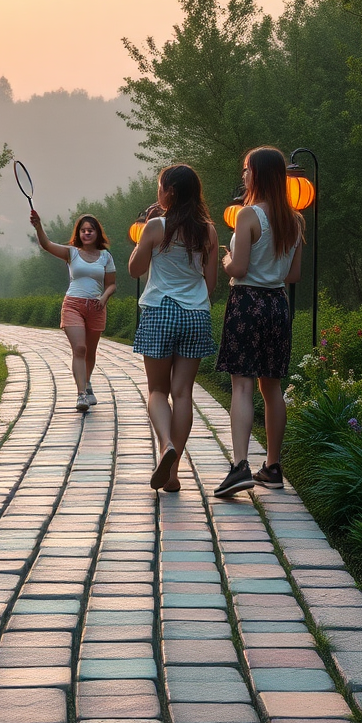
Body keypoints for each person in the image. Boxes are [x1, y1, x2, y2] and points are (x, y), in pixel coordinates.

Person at [213, 147, 304, 497]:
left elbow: (238, 269)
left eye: (247, 170)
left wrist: (226, 258)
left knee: (242, 386)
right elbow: (293, 274)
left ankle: (239, 466)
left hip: (247, 301)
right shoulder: (294, 220)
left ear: (259, 174)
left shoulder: (249, 215)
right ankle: (273, 466)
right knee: (272, 388)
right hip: (277, 305)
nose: (244, 175)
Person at [129, 164, 218, 492]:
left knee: (157, 391)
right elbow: (211, 284)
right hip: (196, 314)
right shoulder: (208, 230)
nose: (158, 192)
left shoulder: (156, 226)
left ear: (169, 193)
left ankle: (166, 444)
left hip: (160, 311)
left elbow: (135, 270)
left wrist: (146, 232)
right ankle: (173, 471)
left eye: (159, 187)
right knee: (182, 394)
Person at [29, 210, 117, 412]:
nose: (87, 233)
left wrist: (103, 298)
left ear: (97, 233)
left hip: (96, 306)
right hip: (73, 305)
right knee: (80, 348)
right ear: (79, 233)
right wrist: (39, 226)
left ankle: (86, 382)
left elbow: (111, 284)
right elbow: (47, 245)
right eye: (84, 230)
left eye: (91, 230)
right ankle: (81, 395)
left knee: (90, 352)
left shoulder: (105, 257)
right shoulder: (72, 253)